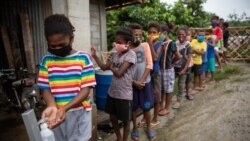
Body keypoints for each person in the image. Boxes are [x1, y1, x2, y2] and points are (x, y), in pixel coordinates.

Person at [37, 14, 96, 141]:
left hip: (79, 112)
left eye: (62, 45)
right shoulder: (46, 61)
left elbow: (85, 90)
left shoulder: (83, 59)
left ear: (71, 39)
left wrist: (65, 108)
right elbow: (45, 88)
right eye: (52, 46)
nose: (57, 49)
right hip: (56, 114)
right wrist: (51, 105)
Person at [91, 27, 136, 141]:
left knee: (126, 120)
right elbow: (103, 67)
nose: (116, 44)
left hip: (124, 94)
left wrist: (111, 66)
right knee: (112, 117)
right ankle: (119, 137)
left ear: (128, 43)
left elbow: (119, 73)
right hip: (112, 92)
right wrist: (95, 55)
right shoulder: (115, 54)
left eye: (119, 42)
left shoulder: (131, 55)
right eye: (116, 42)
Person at [129, 23, 156, 141]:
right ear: (130, 36)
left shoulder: (145, 45)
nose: (138, 37)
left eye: (140, 35)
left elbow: (150, 64)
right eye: (135, 35)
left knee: (146, 106)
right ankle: (134, 128)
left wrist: (141, 80)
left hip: (145, 82)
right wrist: (134, 82)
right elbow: (125, 70)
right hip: (131, 84)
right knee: (133, 108)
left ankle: (149, 128)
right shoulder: (127, 48)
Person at [158, 24, 180, 116]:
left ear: (165, 33)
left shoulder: (171, 43)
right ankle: (161, 106)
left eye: (159, 33)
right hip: (160, 70)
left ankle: (167, 108)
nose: (158, 35)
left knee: (168, 90)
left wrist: (171, 63)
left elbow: (178, 56)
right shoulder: (160, 43)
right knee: (162, 89)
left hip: (168, 70)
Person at [172, 28, 192, 109]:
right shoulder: (175, 44)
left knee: (181, 84)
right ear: (177, 35)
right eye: (179, 34)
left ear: (186, 35)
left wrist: (184, 69)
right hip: (174, 67)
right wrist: (171, 64)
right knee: (171, 84)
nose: (181, 35)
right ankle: (169, 99)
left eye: (183, 34)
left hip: (184, 68)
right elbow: (172, 55)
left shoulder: (188, 45)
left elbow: (189, 59)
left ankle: (178, 101)